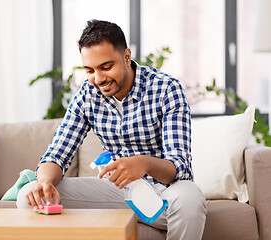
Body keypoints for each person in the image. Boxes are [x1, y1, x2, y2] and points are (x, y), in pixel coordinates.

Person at [17, 19, 206, 239]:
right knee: (27, 196)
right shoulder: (88, 95)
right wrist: (44, 182)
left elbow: (180, 167)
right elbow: (57, 153)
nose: (98, 79)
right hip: (118, 193)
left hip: (165, 193)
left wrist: (143, 163)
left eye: (106, 67)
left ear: (127, 57)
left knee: (190, 198)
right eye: (89, 70)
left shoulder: (166, 89)